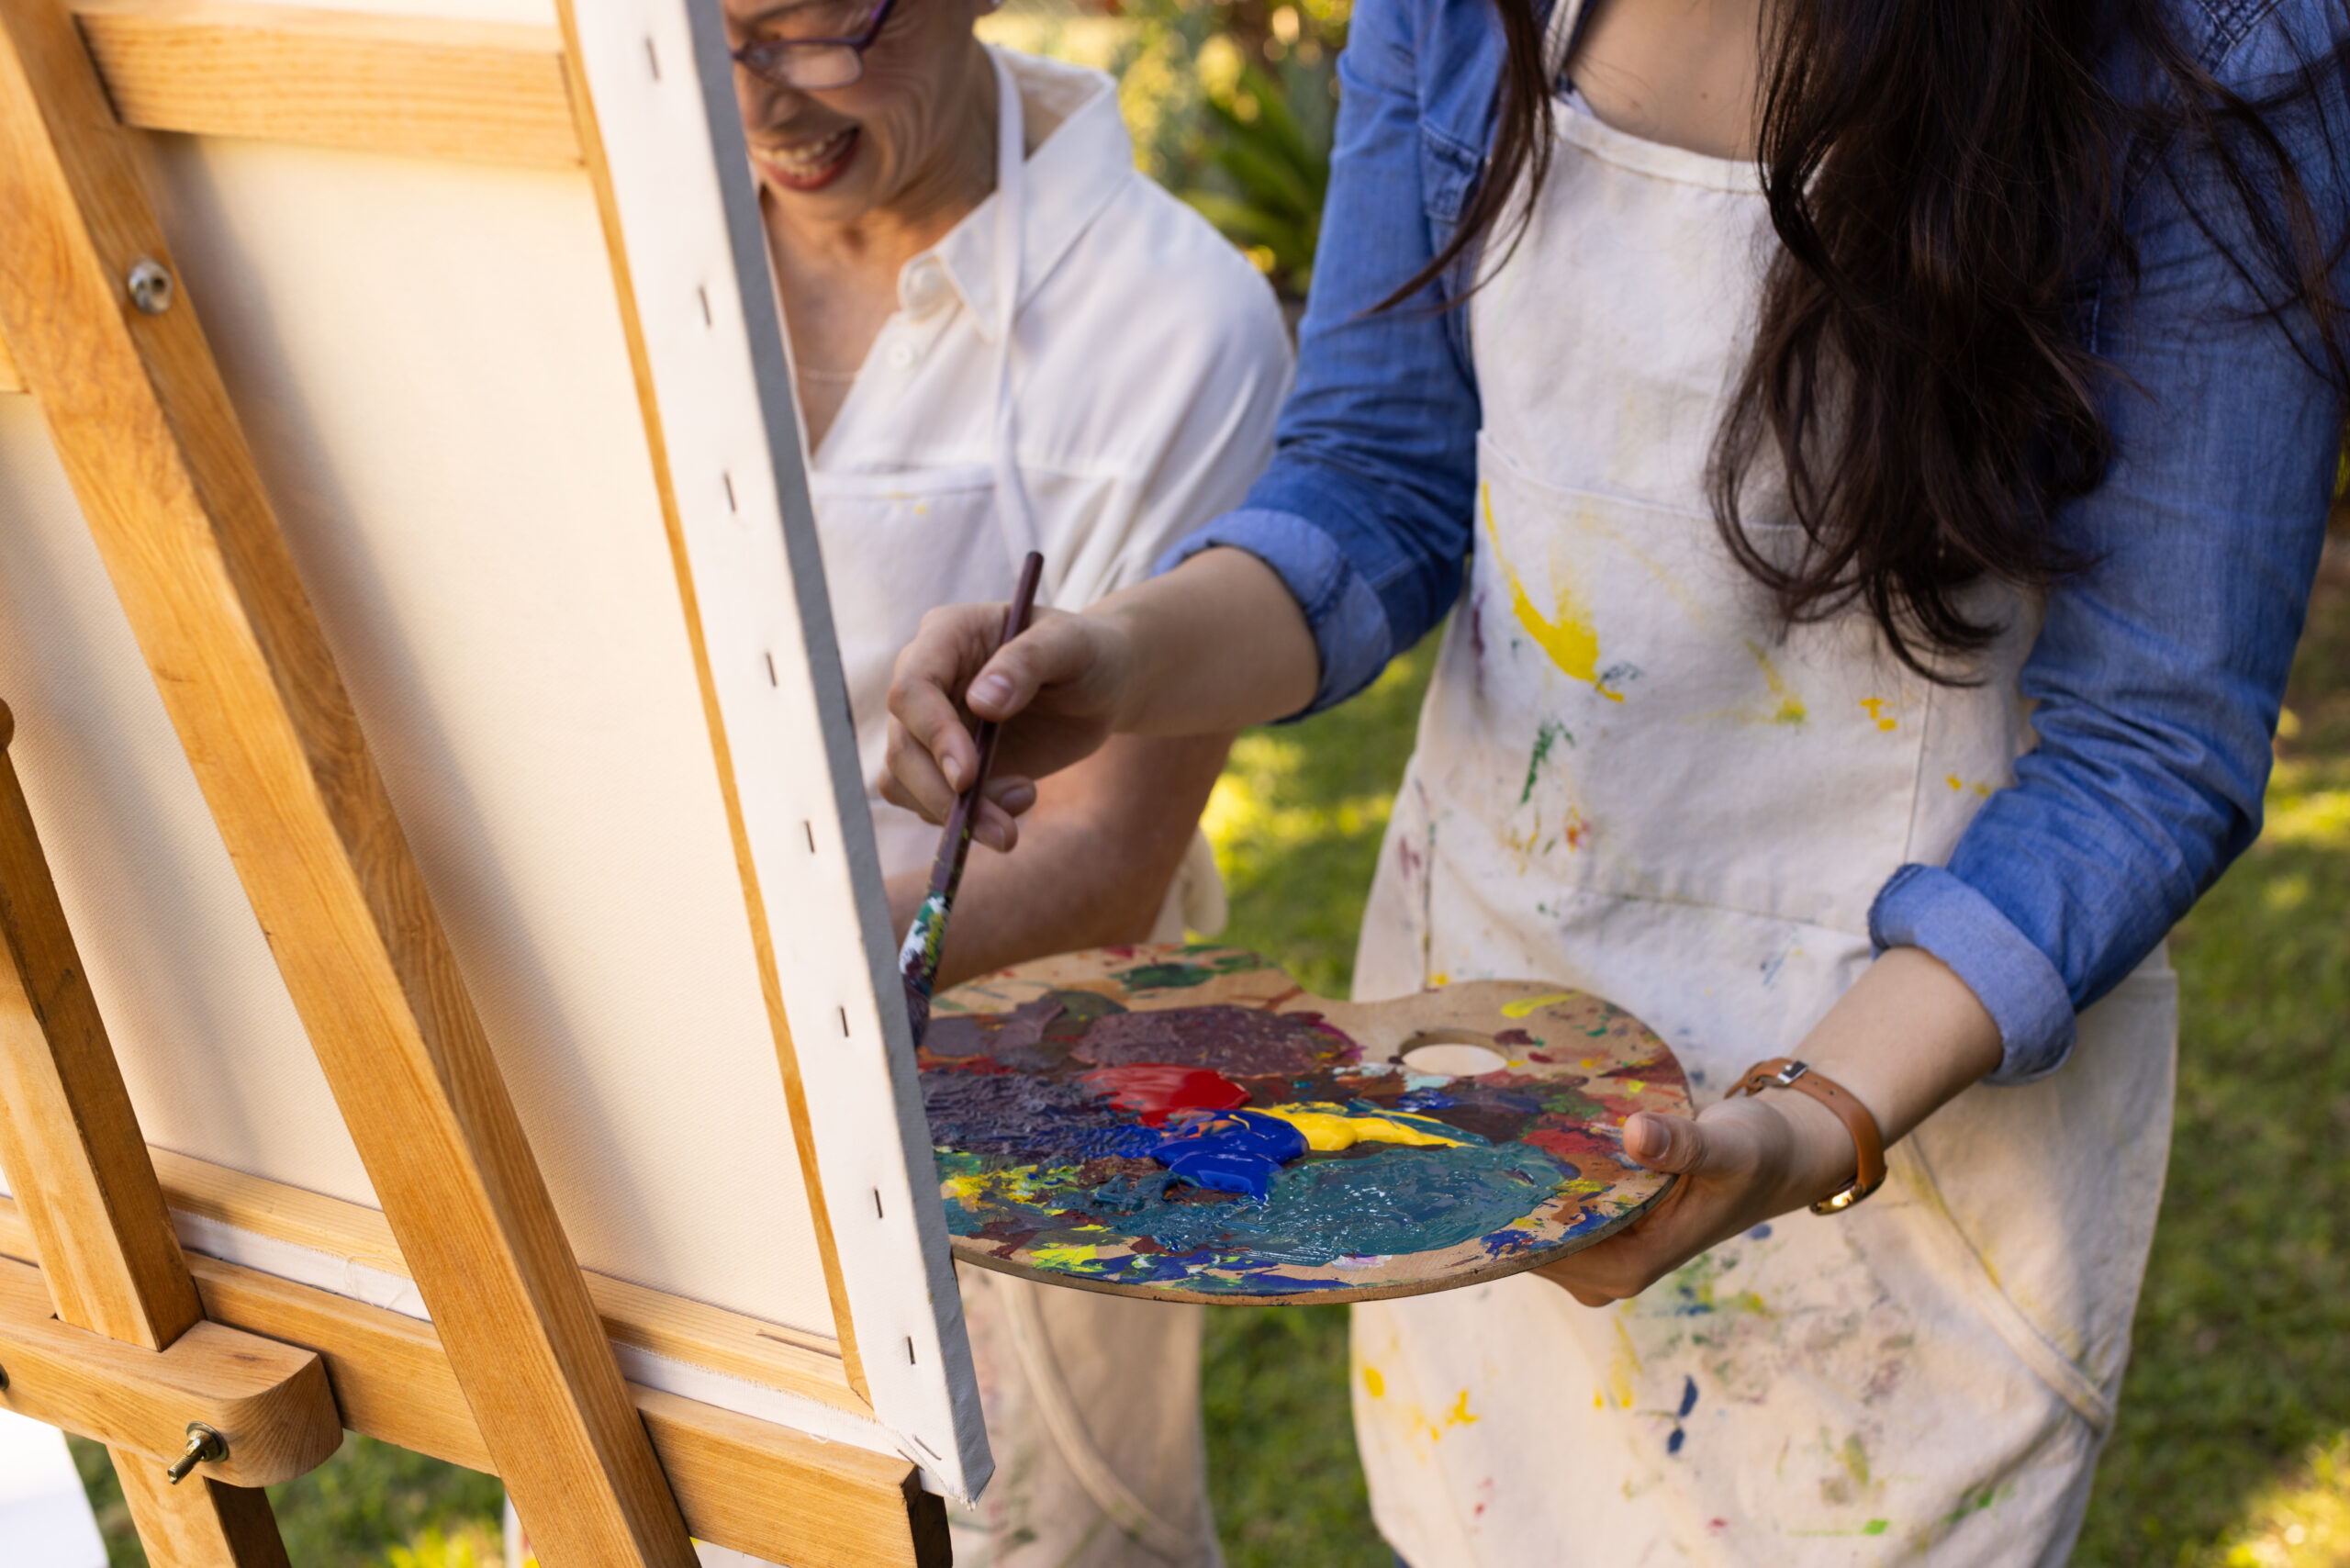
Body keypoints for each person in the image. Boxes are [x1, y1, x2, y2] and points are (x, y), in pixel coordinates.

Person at [878, 0, 2350, 1561]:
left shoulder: (2221, 44)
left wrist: (1809, 1120)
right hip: (1490, 1086)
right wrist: (1111, 660)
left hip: (1910, 1117)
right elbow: (1378, 482)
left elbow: (2152, 748)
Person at [728, 0, 1290, 1562]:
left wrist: (714, 978)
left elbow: (1103, 862)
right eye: (703, 41)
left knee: (1014, 1526)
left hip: (1028, 1096)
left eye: (811, 26)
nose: (763, 104)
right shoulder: (645, 239)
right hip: (698, 1106)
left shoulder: (1174, 321)